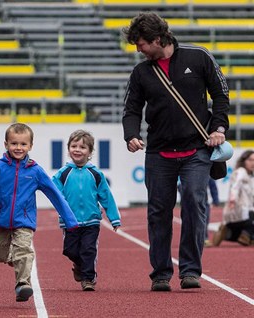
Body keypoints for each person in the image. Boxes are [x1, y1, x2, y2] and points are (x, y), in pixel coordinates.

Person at [122, 12, 230, 292]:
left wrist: (218, 127)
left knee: (195, 204)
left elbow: (221, 94)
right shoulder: (142, 71)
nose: (138, 49)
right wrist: (131, 135)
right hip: (158, 153)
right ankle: (160, 273)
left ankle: (191, 270)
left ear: (158, 39)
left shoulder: (199, 57)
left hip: (196, 150)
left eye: (142, 44)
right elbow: (131, 109)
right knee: (158, 212)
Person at [0, 123, 78, 302]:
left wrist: (70, 219)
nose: (18, 148)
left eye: (23, 144)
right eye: (14, 143)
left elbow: (54, 194)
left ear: (30, 146)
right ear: (6, 144)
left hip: (24, 221)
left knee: (24, 249)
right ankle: (17, 261)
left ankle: (22, 284)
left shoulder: (35, 171)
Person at [51, 129, 121, 291]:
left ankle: (88, 279)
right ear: (68, 149)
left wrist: (114, 218)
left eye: (82, 147)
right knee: (70, 250)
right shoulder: (63, 174)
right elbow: (55, 194)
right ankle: (79, 265)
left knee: (89, 250)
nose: (77, 150)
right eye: (73, 146)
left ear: (90, 152)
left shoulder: (95, 174)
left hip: (92, 220)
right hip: (70, 221)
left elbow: (106, 197)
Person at [212, 150, 254, 247]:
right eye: (250, 160)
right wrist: (232, 198)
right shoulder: (240, 172)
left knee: (249, 237)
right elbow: (235, 185)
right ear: (243, 161)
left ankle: (228, 233)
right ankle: (245, 234)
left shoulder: (250, 176)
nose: (253, 163)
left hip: (244, 216)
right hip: (238, 212)